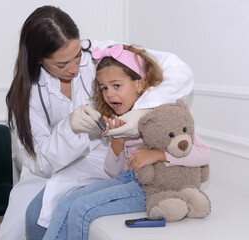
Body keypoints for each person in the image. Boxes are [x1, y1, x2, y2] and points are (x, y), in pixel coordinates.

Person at [0, 5, 195, 240]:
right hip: (56, 166)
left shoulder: (101, 54)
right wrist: (69, 129)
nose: (73, 68)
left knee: (53, 211)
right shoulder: (26, 93)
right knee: (28, 218)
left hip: (106, 158)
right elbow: (40, 162)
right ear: (39, 59)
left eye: (77, 56)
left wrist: (139, 113)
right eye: (61, 65)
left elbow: (178, 70)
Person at [37, 44, 210, 240]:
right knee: (66, 201)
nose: (109, 94)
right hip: (128, 180)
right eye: (104, 88)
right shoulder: (121, 121)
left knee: (82, 208)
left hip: (151, 188)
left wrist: (158, 155)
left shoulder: (162, 114)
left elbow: (203, 153)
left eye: (116, 85)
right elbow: (114, 171)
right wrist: (117, 141)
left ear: (139, 83)